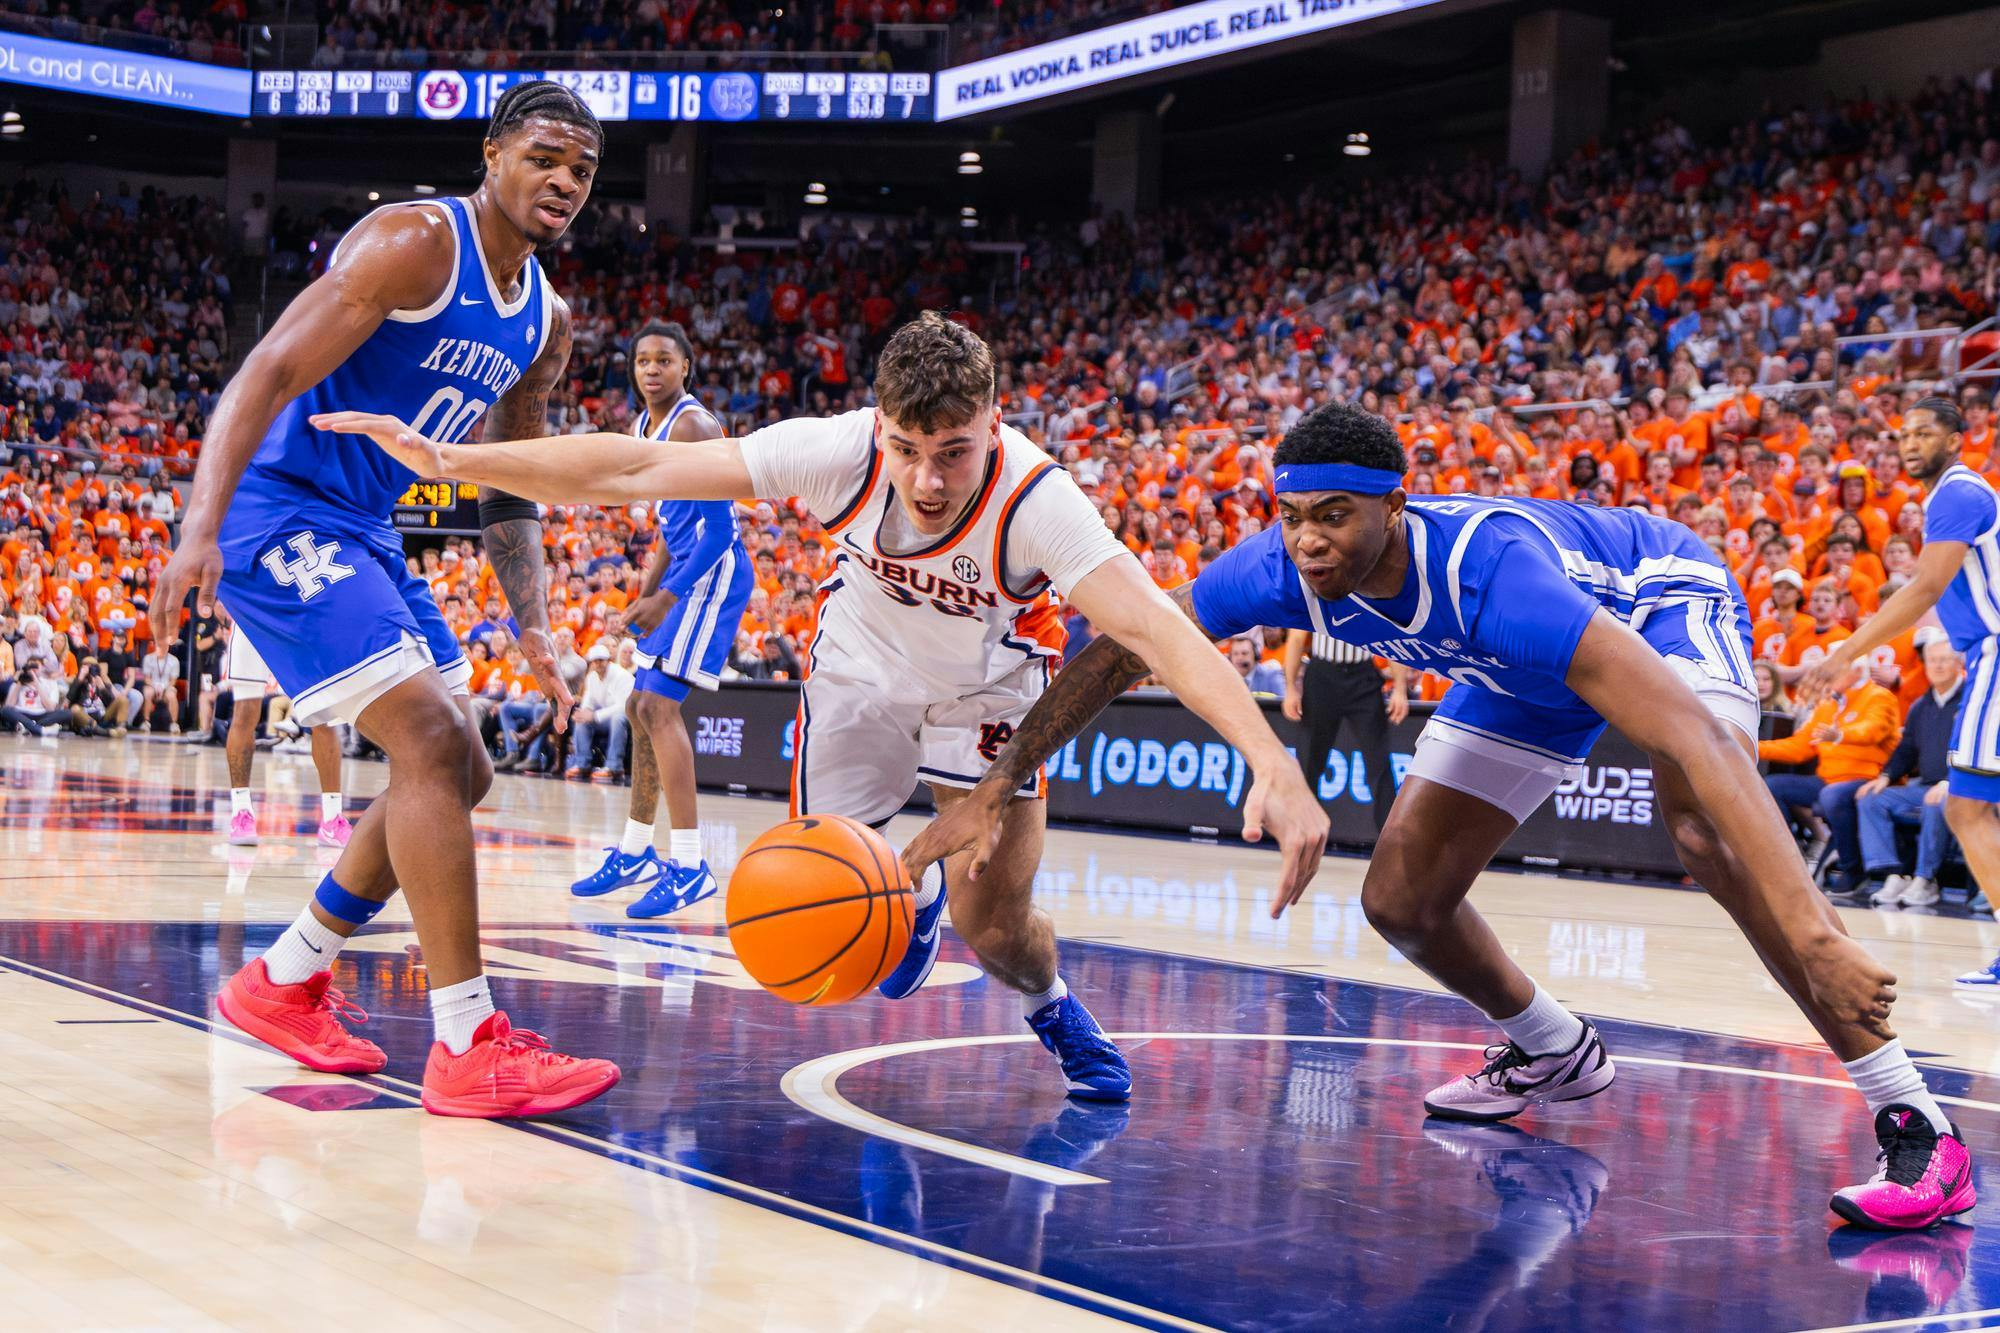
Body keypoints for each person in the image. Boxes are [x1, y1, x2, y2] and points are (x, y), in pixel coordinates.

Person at [917, 400, 1969, 1231]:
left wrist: (1815, 936)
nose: (1309, 540)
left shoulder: (1491, 573)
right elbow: (1119, 649)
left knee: (1696, 820)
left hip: (1652, 602)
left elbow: (1693, 738)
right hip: (1508, 671)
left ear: (1394, 504)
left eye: (1334, 515)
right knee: (1402, 898)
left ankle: (1913, 1118)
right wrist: (997, 781)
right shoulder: (1278, 570)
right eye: (1292, 515)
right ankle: (1552, 1050)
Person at [314, 310, 1330, 1102]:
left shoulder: (1039, 499)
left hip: (988, 696)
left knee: (1000, 923)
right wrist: (450, 461)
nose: (928, 480)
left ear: (994, 425)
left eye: (955, 450)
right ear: (878, 426)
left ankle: (1046, 1002)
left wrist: (1270, 761)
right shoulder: (837, 450)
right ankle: (912, 899)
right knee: (860, 905)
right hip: (855, 680)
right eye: (907, 448)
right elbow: (632, 465)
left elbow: (1153, 629)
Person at [148, 80, 620, 1119]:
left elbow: (511, 475)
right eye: (544, 156)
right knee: (425, 735)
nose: (562, 181)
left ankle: (282, 979)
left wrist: (532, 618)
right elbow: (268, 369)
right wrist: (198, 529)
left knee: (466, 767)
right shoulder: (414, 241)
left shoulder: (544, 321)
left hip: (367, 525)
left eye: (581, 169)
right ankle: (467, 1042)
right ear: (492, 154)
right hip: (278, 507)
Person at [1804, 396, 2000, 1002]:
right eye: (1905, 434)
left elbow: (1924, 589)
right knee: (1972, 809)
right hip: (1985, 656)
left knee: (1967, 809)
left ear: (1956, 439)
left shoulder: (1957, 493)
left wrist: (1844, 652)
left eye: (1925, 433)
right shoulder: (1954, 496)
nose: (1910, 443)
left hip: (1995, 653)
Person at [570, 321, 754, 918]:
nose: (651, 369)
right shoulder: (644, 425)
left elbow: (720, 531)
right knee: (634, 708)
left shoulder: (694, 424)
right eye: (642, 360)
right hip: (682, 575)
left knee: (656, 708)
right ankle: (634, 851)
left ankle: (692, 864)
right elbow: (672, 532)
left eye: (663, 361)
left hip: (714, 577)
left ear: (685, 367)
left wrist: (666, 599)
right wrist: (641, 601)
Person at [1756, 663, 1900, 894]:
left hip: (1867, 778)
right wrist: (1754, 747)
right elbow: (1800, 747)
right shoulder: (1828, 705)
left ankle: (1852, 869)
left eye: (1833, 671)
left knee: (1832, 795)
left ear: (1855, 671)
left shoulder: (1879, 696)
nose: (1826, 678)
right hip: (1829, 779)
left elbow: (1873, 729)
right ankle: (1789, 859)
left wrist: (1841, 735)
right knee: (1773, 785)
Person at [218, 623, 351, 849]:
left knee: (322, 713)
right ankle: (241, 812)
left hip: (296, 614)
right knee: (245, 711)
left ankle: (332, 818)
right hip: (250, 616)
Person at [1856, 631, 1963, 909]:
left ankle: (1925, 879)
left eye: (1944, 660)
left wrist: (1952, 782)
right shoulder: (1920, 706)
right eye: (1932, 660)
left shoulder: (1970, 702)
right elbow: (1907, 748)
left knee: (1934, 803)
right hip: (1926, 787)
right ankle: (1893, 873)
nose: (1938, 666)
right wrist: (1886, 776)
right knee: (1870, 798)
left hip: (1962, 789)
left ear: (1957, 663)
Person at [1284, 627, 1405, 834]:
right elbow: (1296, 637)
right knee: (1309, 760)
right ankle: (1302, 832)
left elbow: (1390, 635)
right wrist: (1289, 688)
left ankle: (1390, 837)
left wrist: (1401, 690)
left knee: (1379, 761)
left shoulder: (1370, 594)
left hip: (1362, 676)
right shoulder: (1313, 593)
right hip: (1322, 675)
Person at [566, 641, 634, 783]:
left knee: (618, 718)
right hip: (604, 717)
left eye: (601, 660)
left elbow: (623, 706)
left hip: (628, 718)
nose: (598, 664)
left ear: (608, 660)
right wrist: (583, 712)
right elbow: (589, 700)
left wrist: (595, 715)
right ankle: (582, 763)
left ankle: (614, 766)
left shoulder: (621, 675)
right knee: (582, 719)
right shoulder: (592, 677)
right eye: (595, 661)